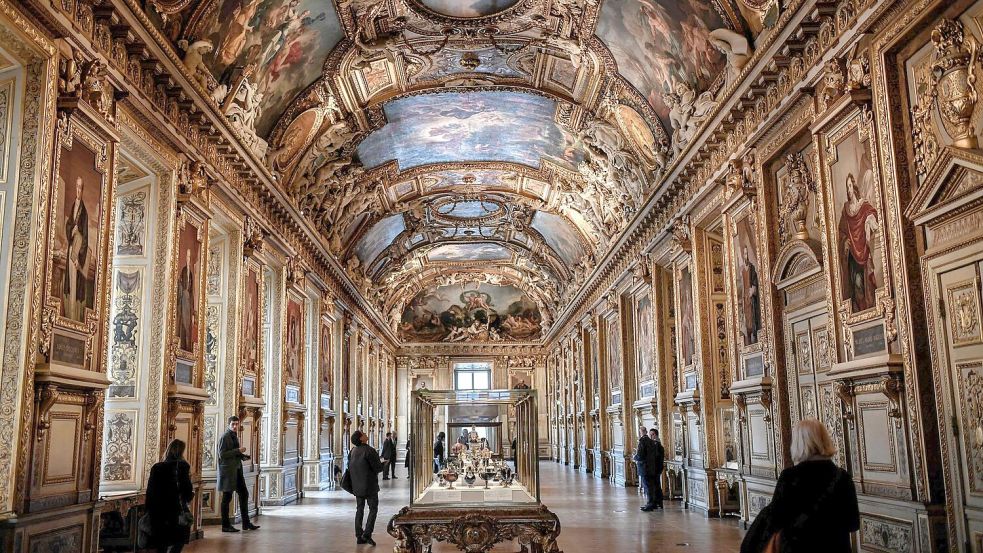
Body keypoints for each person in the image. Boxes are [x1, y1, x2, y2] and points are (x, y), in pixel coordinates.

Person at [741, 419, 859, 553]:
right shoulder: (842, 477)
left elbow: (775, 519)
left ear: (797, 443)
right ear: (825, 440)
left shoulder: (789, 477)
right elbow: (852, 523)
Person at [145, 439, 194, 553]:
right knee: (179, 541)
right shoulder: (183, 466)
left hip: (158, 511)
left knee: (161, 544)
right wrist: (190, 496)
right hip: (176, 510)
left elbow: (150, 491)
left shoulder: (157, 467)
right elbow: (186, 490)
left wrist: (149, 511)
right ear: (181, 452)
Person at [217, 415, 259, 532]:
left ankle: (246, 523)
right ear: (228, 425)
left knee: (244, 494)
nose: (235, 426)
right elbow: (222, 455)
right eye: (233, 424)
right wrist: (238, 451)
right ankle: (225, 526)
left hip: (236, 470)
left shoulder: (234, 436)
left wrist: (243, 456)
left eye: (236, 424)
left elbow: (233, 453)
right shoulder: (225, 437)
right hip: (228, 472)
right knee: (227, 498)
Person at [349, 430, 384, 546]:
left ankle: (359, 535)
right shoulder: (369, 450)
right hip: (369, 486)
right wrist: (384, 464)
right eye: (363, 434)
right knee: (373, 509)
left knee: (359, 509)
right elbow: (378, 468)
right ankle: (367, 534)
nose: (365, 434)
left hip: (357, 486)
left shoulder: (353, 451)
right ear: (361, 439)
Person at [643, 428, 665, 511]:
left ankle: (655, 503)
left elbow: (656, 457)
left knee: (655, 486)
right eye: (650, 434)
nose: (651, 436)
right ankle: (656, 503)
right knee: (655, 485)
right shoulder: (654, 444)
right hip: (654, 468)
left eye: (653, 434)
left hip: (655, 468)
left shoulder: (657, 444)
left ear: (656, 435)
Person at [632, 425, 651, 511]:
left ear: (641, 432)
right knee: (649, 485)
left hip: (644, 466)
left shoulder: (642, 441)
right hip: (649, 466)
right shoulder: (650, 441)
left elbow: (640, 455)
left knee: (647, 486)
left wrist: (634, 457)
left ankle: (649, 504)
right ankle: (651, 503)